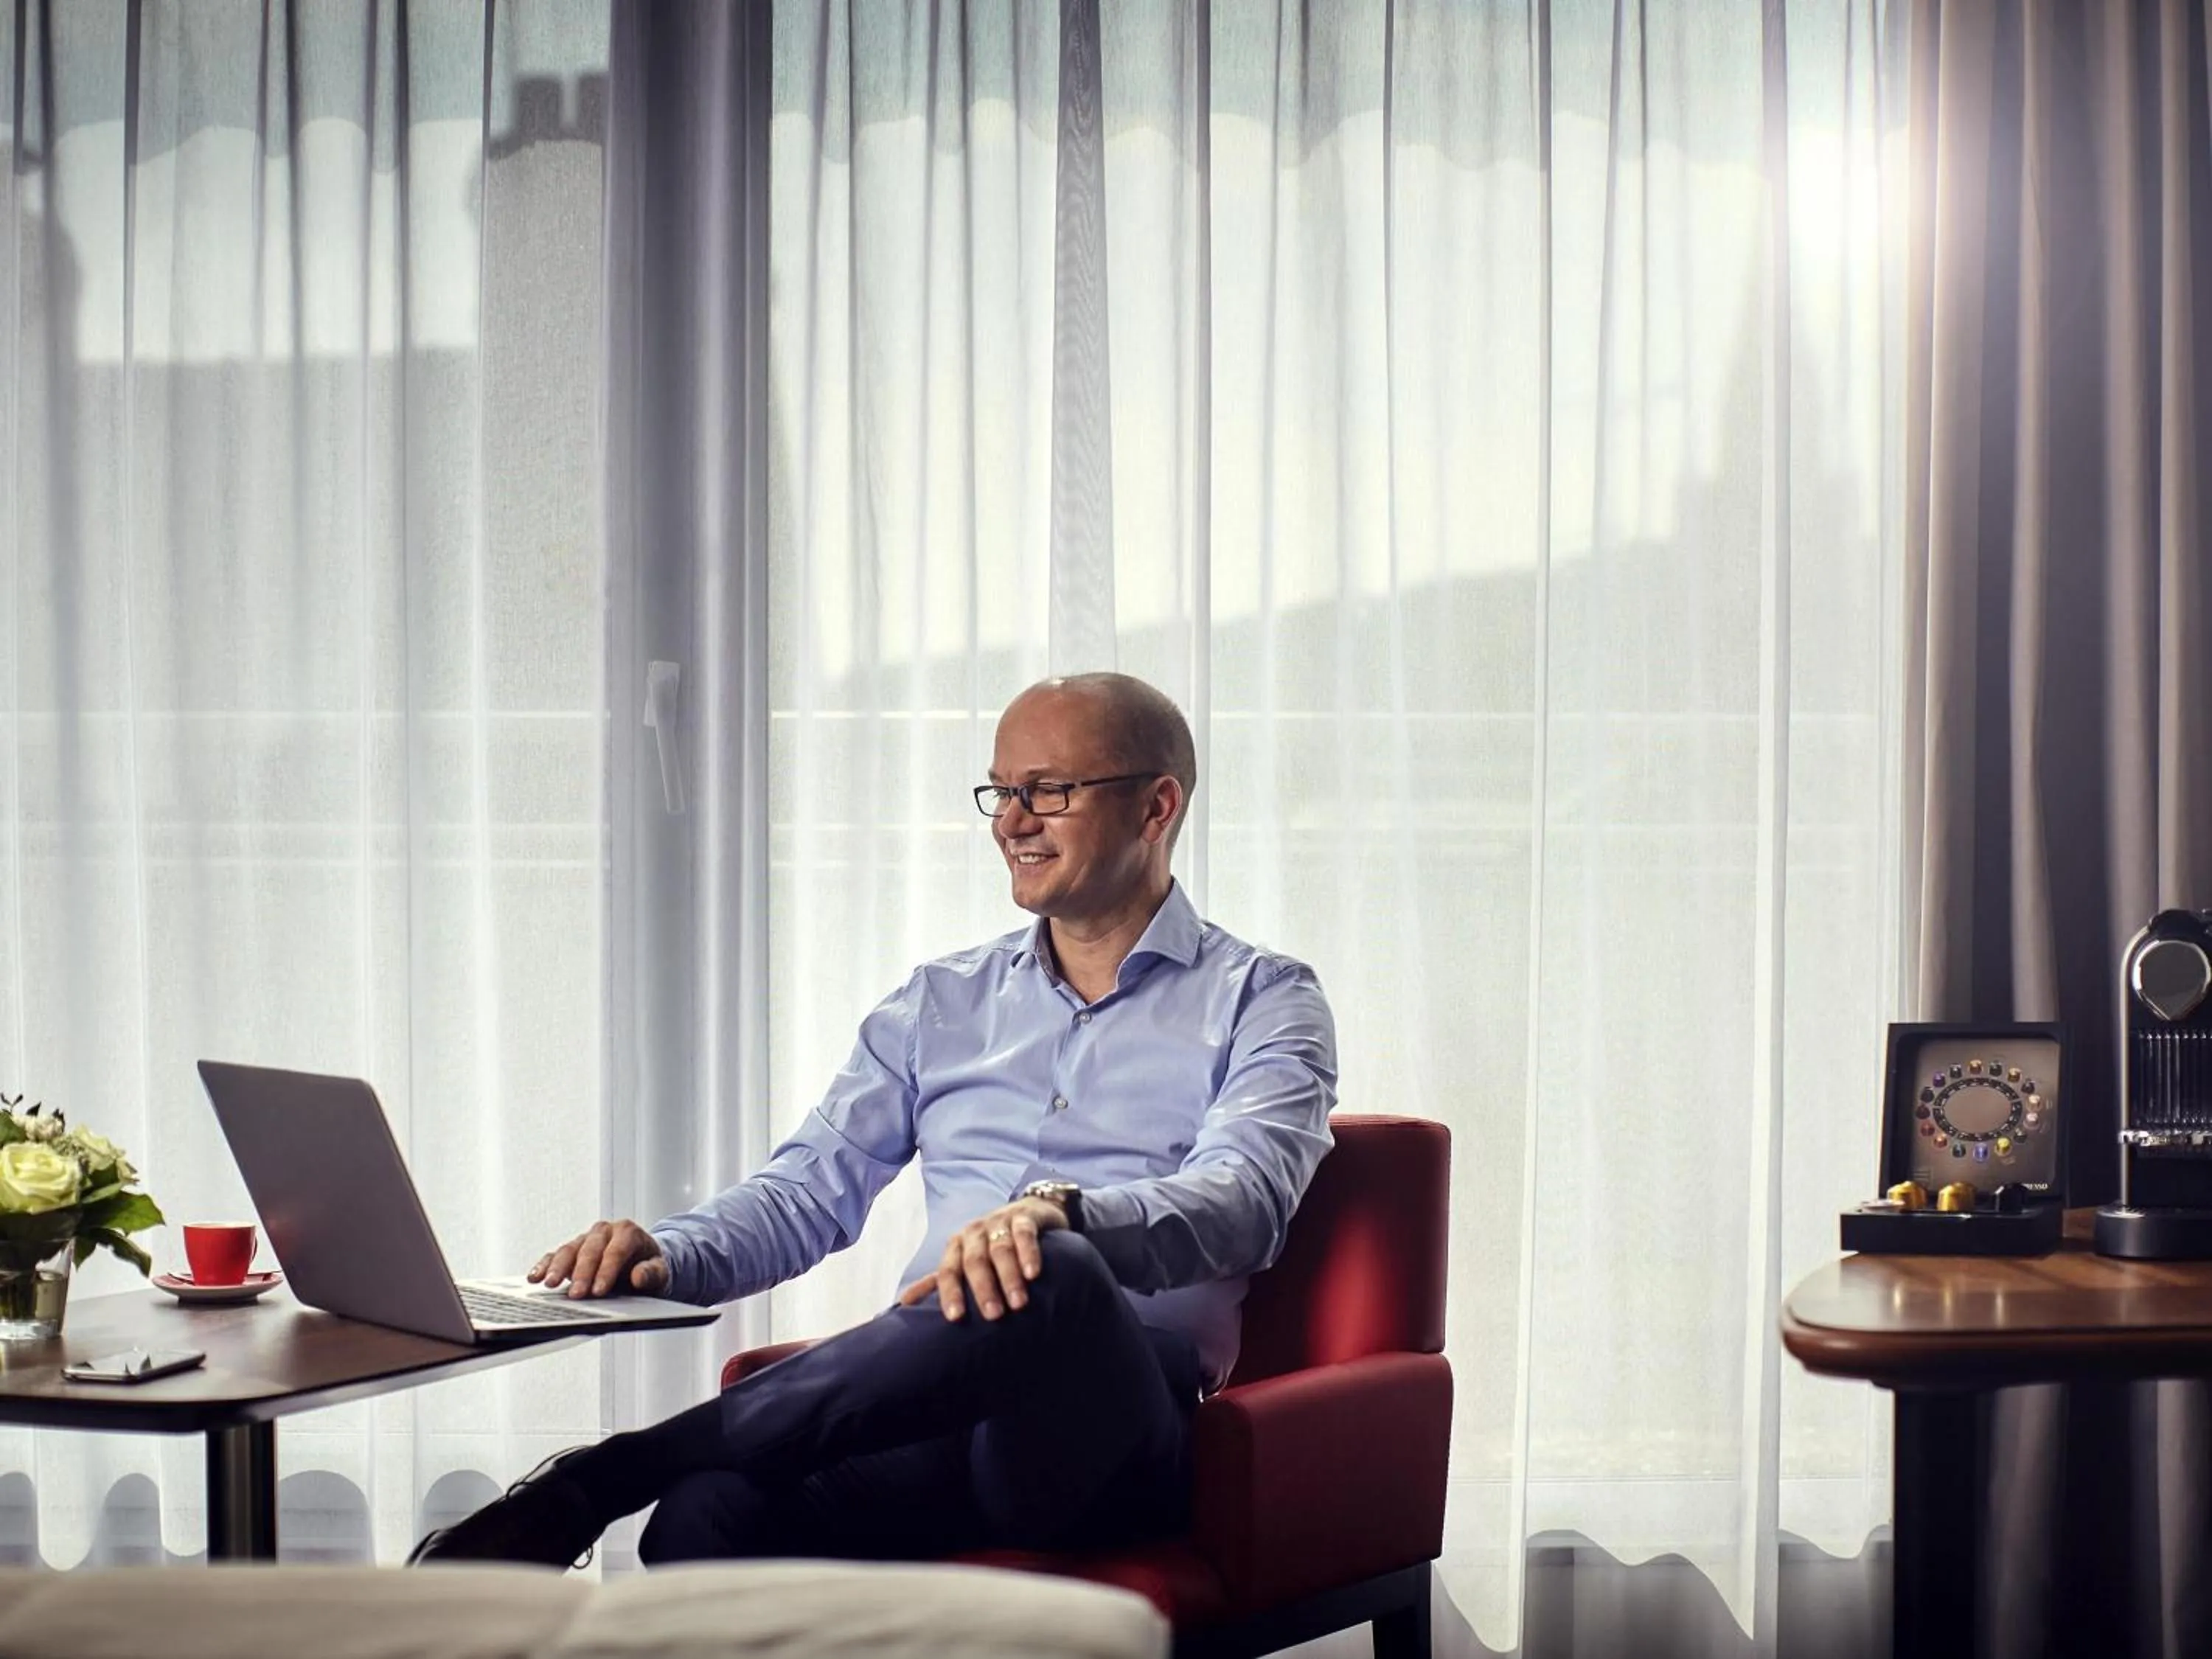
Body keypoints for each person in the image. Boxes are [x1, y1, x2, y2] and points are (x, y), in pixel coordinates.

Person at [408, 672, 1338, 1568]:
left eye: (1049, 791)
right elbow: (809, 1191)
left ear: (1156, 806)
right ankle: (644, 1484)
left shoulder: (1266, 998)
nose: (1012, 822)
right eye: (1002, 791)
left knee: (1049, 1265)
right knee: (704, 1517)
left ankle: (605, 1475)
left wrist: (1066, 1212)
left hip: (1103, 1435)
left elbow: (1245, 1200)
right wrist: (665, 1252)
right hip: (930, 1420)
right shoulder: (941, 1003)